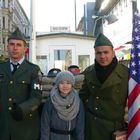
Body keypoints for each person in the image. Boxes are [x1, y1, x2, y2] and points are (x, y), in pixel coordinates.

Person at [79, 33, 128, 140]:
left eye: (106, 52)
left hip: (115, 129)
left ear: (113, 53)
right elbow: (82, 96)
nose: (102, 56)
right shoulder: (89, 72)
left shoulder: (126, 74)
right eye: (98, 53)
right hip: (92, 127)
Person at [0, 28, 42, 140]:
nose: (15, 48)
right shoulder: (1, 68)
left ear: (25, 49)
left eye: (19, 45)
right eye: (12, 44)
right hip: (4, 128)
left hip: (25, 129)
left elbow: (37, 97)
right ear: (7, 47)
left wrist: (23, 109)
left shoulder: (33, 70)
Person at [41, 71, 85, 140]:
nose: (65, 86)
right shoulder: (51, 100)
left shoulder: (77, 101)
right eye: (62, 83)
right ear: (57, 84)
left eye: (68, 83)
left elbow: (80, 126)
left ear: (72, 85)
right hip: (54, 137)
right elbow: (45, 124)